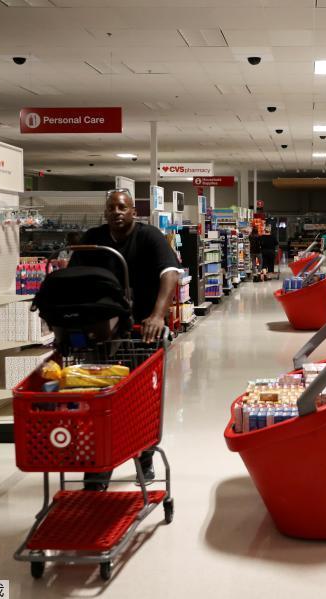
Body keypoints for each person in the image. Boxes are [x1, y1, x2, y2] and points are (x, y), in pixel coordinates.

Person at [71, 189, 184, 490]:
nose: (117, 212)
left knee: (140, 400)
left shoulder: (149, 237)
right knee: (98, 402)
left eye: (122, 207)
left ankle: (143, 457)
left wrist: (157, 316)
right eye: (111, 208)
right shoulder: (93, 239)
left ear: (134, 211)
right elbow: (74, 276)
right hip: (102, 334)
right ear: (105, 212)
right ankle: (99, 468)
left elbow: (170, 273)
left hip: (141, 333)